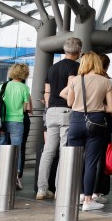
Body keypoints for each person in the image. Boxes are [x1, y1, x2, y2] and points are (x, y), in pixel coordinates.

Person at [62, 51, 112, 211]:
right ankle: (88, 200)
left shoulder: (75, 80)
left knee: (73, 160)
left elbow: (70, 102)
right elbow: (111, 107)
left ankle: (73, 195)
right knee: (91, 162)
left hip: (76, 121)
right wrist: (98, 107)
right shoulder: (105, 82)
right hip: (96, 122)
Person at [36, 38, 81, 200]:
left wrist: (49, 107)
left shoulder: (52, 68)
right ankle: (59, 189)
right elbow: (70, 89)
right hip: (66, 110)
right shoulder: (75, 67)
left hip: (51, 111)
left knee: (48, 151)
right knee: (64, 151)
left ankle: (42, 189)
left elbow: (46, 92)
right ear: (79, 51)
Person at [0, 63, 32, 190]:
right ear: (25, 74)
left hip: (1, 122)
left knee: (1, 148)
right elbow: (26, 108)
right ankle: (15, 179)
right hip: (17, 121)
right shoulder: (24, 88)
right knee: (17, 149)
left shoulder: (3, 86)